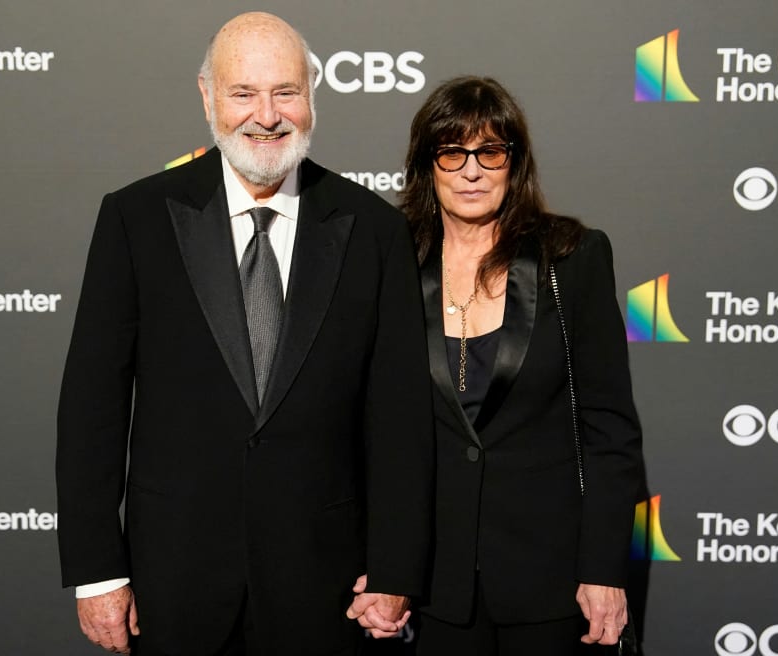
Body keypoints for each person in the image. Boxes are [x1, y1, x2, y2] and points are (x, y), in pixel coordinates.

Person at [55, 12, 433, 656]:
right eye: (244, 93)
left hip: (327, 587)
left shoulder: (374, 229)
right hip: (172, 582)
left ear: (312, 96)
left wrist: (395, 568)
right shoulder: (136, 218)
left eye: (286, 92)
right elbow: (93, 407)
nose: (267, 115)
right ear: (207, 97)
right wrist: (98, 573)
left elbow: (399, 416)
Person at [399, 76, 644, 655]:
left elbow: (610, 429)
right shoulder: (394, 261)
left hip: (550, 579)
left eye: (490, 152)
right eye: (452, 152)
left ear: (515, 161)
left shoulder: (572, 258)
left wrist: (603, 569)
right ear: (428, 164)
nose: (472, 171)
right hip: (431, 582)